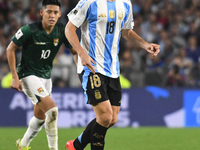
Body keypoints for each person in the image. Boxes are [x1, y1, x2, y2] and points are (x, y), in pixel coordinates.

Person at [65, 0, 160, 150]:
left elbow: (127, 32)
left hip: (112, 69)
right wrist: (81, 54)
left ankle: (76, 145)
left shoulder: (125, 3)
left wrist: (145, 45)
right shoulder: (89, 2)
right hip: (91, 66)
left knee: (112, 119)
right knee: (105, 116)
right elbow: (69, 29)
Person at [6, 0, 94, 150]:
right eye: (49, 12)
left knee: (40, 118)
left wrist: (80, 72)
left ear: (60, 14)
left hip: (46, 77)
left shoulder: (61, 31)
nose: (52, 15)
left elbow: (75, 52)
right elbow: (10, 49)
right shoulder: (29, 30)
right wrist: (15, 77)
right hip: (27, 75)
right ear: (42, 13)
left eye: (55, 13)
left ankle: (22, 144)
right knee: (52, 111)